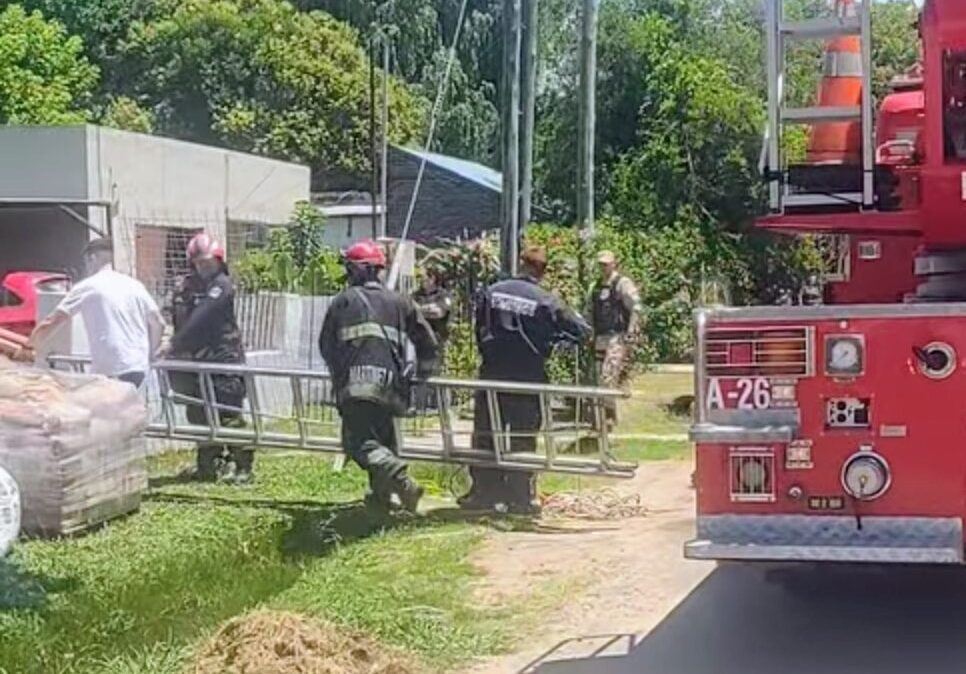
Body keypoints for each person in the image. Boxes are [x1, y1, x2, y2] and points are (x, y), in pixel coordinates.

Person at [461, 245, 591, 514]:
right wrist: (557, 339)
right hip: (527, 376)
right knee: (522, 436)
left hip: (492, 374)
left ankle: (484, 493)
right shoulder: (546, 300)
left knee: (486, 433)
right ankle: (519, 497)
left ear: (521, 264)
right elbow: (580, 330)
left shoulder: (492, 291)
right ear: (542, 271)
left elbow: (478, 328)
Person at [318, 239, 439, 514]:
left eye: (349, 268)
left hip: (356, 386)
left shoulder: (343, 301)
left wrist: (339, 376)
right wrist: (421, 376)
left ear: (359, 270)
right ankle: (382, 498)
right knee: (383, 441)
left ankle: (401, 478)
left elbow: (326, 345)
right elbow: (427, 342)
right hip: (391, 387)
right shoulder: (401, 302)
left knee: (358, 442)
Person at [167, 233, 252, 484]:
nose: (203, 268)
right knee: (198, 414)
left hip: (224, 360)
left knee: (228, 415)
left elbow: (202, 317)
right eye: (199, 263)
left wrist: (174, 343)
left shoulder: (222, 285)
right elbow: (175, 314)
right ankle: (208, 465)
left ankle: (243, 466)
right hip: (196, 361)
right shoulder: (186, 288)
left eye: (208, 263)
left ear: (218, 261)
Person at [29, 238, 165, 388]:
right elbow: (158, 322)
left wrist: (28, 347)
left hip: (111, 368)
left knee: (99, 409)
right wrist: (150, 354)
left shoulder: (88, 286)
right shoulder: (135, 285)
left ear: (91, 258)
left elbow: (53, 321)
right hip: (139, 367)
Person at [589, 250, 642, 423]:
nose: (603, 267)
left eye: (606, 264)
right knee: (598, 377)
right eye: (600, 264)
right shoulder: (595, 286)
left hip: (617, 336)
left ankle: (609, 415)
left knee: (608, 374)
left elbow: (636, 307)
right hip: (600, 337)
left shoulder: (622, 283)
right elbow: (589, 310)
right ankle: (603, 415)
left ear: (614, 264)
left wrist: (631, 331)